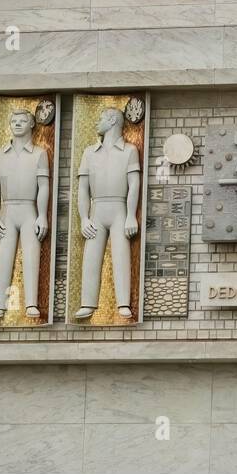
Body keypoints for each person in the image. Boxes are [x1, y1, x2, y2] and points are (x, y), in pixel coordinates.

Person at [74, 106, 141, 321]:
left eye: (101, 118)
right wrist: (84, 217)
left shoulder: (129, 151)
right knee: (91, 256)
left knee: (121, 254)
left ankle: (123, 303)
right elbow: (82, 188)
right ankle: (87, 303)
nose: (97, 122)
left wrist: (131, 215)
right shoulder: (89, 153)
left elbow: (134, 185)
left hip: (119, 207)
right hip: (97, 208)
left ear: (112, 120)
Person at [0, 109, 49, 321]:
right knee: (3, 256)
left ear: (32, 125)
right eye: (14, 120)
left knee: (31, 255)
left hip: (29, 209)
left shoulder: (39, 154)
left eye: (23, 120)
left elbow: (43, 186)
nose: (18, 124)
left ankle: (31, 303)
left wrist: (42, 215)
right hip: (7, 209)